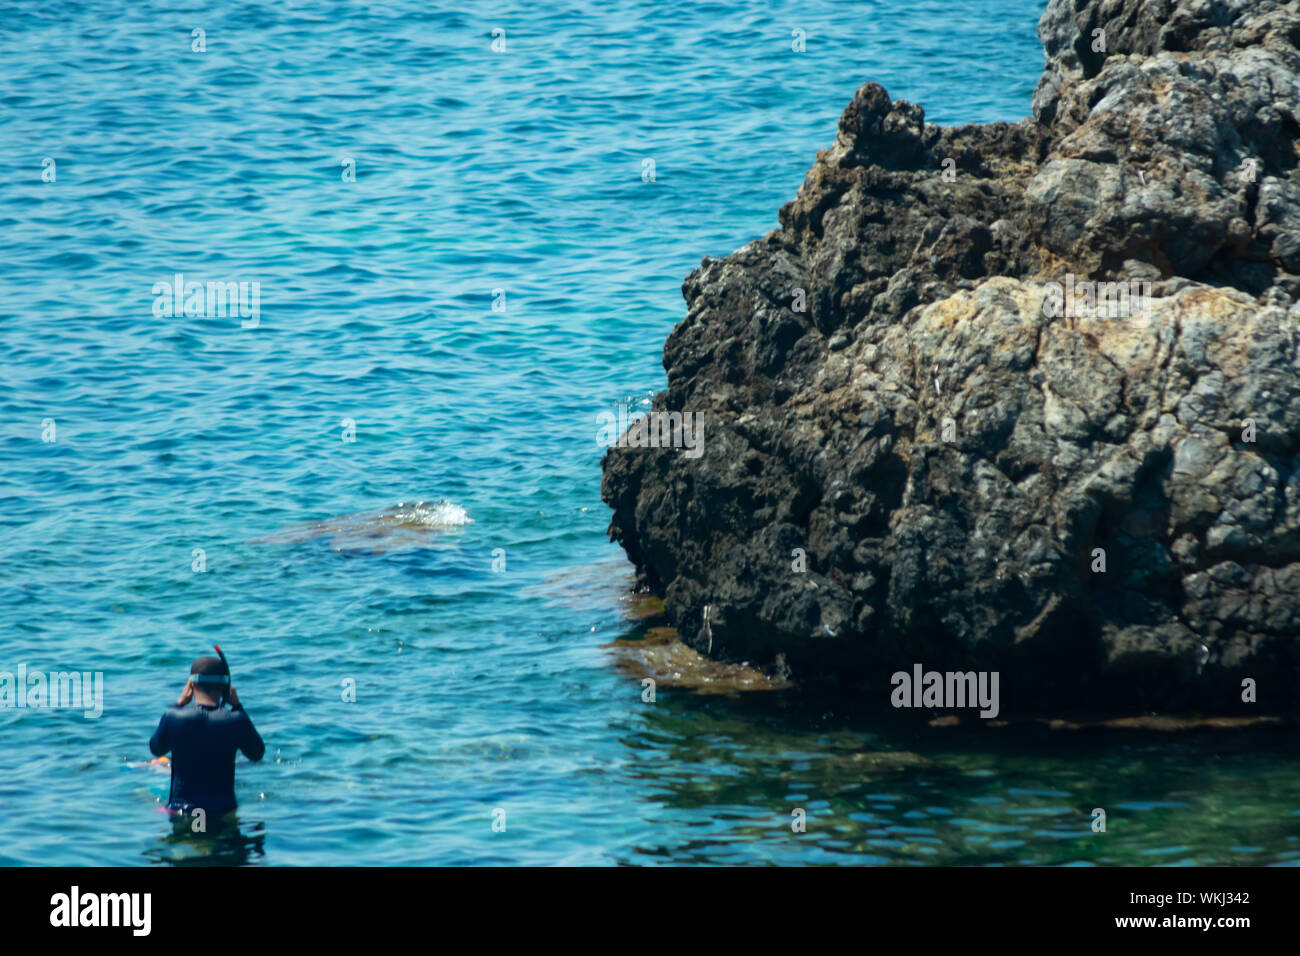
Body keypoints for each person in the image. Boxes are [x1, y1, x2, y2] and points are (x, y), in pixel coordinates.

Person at [149, 656, 264, 818]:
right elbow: (257, 754)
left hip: (182, 811)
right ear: (225, 688)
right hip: (223, 811)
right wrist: (238, 706)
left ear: (191, 685)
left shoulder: (172, 717)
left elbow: (156, 749)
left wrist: (179, 704)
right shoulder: (237, 720)